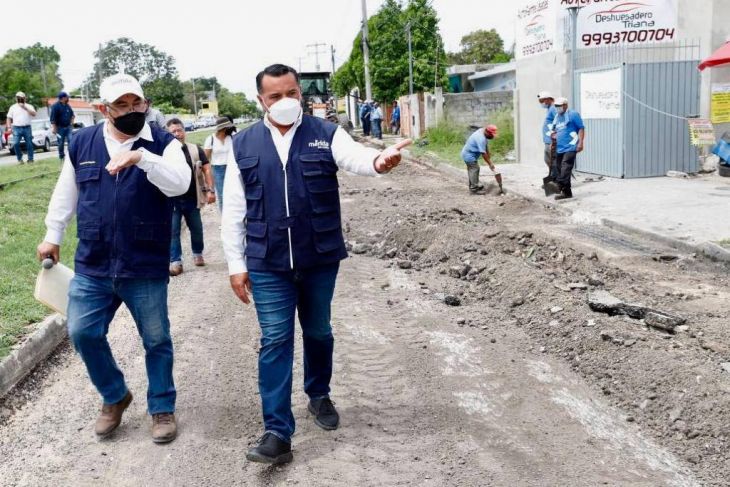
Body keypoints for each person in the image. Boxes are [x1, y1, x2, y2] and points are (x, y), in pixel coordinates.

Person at [221, 64, 411, 465]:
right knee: (275, 339)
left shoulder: (326, 133)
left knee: (318, 330)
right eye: (275, 96)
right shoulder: (243, 145)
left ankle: (318, 394)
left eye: (291, 92)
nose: (286, 101)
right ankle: (277, 431)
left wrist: (380, 161)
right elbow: (233, 210)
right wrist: (236, 264)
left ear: (300, 94)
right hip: (267, 260)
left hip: (319, 256)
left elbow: (357, 157)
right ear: (261, 100)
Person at [36, 73, 190, 443]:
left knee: (156, 340)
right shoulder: (83, 143)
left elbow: (181, 184)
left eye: (137, 103)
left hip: (144, 263)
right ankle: (115, 396)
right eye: (122, 105)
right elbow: (66, 193)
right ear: (105, 110)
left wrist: (142, 158)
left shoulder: (164, 143)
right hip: (94, 262)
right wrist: (52, 235)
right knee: (83, 332)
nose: (132, 110)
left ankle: (162, 407)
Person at [166, 118, 216, 276]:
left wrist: (210, 190)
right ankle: (175, 261)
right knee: (172, 231)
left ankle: (197, 253)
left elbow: (207, 169)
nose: (177, 134)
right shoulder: (164, 152)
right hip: (171, 199)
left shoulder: (195, 149)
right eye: (173, 132)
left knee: (196, 228)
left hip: (192, 197)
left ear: (184, 131)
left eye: (179, 130)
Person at [551, 97, 585, 200]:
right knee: (560, 169)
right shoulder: (557, 117)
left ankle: (559, 185)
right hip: (559, 147)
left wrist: (581, 142)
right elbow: (555, 131)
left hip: (571, 146)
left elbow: (581, 128)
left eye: (559, 106)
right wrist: (553, 139)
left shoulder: (573, 114)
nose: (557, 108)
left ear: (565, 105)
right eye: (556, 106)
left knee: (566, 167)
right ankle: (567, 193)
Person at [204, 117, 236, 212]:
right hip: (218, 169)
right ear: (223, 128)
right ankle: (224, 220)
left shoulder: (232, 137)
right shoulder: (210, 139)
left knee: (234, 193)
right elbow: (206, 159)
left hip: (232, 168)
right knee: (222, 195)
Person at [460, 124, 498, 194]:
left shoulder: (483, 131)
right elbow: (483, 153)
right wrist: (490, 163)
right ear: (487, 132)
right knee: (474, 169)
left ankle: (474, 185)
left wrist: (488, 154)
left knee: (472, 170)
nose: (492, 136)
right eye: (491, 135)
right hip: (468, 155)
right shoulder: (481, 138)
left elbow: (485, 145)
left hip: (469, 153)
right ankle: (474, 189)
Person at [7, 91, 37, 164]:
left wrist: (25, 107)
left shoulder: (29, 106)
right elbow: (8, 118)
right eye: (18, 98)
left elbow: (34, 114)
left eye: (21, 98)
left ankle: (30, 159)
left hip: (27, 127)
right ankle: (20, 159)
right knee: (16, 143)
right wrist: (9, 127)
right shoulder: (13, 107)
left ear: (25, 98)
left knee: (29, 143)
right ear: (16, 98)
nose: (20, 99)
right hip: (16, 128)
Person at [537, 91, 558, 195]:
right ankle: (553, 179)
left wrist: (554, 139)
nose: (541, 103)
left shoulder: (554, 108)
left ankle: (555, 181)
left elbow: (559, 122)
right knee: (549, 160)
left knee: (553, 161)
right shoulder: (550, 108)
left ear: (548, 99)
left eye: (542, 101)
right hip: (548, 140)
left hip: (551, 141)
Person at [50, 91, 75, 161]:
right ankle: (61, 156)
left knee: (71, 141)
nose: (68, 98)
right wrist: (54, 128)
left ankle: (70, 156)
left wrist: (72, 123)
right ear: (63, 98)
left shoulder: (68, 106)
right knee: (61, 143)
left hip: (68, 127)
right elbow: (53, 119)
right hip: (59, 128)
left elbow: (72, 115)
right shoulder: (55, 106)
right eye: (66, 97)